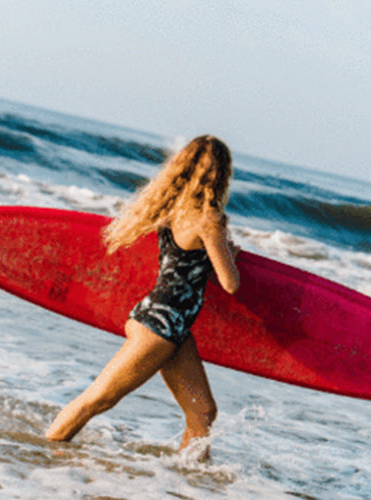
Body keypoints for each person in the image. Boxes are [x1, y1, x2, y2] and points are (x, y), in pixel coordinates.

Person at [45, 136, 240, 456]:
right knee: (98, 399)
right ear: (222, 173)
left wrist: (219, 252)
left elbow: (185, 262)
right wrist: (229, 254)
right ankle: (40, 451)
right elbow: (230, 282)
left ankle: (188, 482)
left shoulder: (175, 207)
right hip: (162, 326)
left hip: (165, 322)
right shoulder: (209, 217)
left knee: (203, 412)